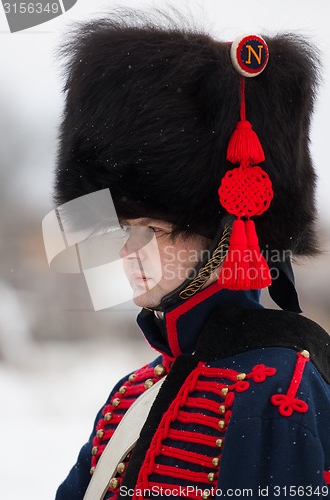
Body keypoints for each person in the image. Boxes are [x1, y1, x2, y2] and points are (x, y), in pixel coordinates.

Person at [47, 8, 330, 500]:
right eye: (122, 228)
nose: (128, 251)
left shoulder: (285, 387)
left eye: (152, 228)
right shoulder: (134, 388)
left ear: (226, 233)